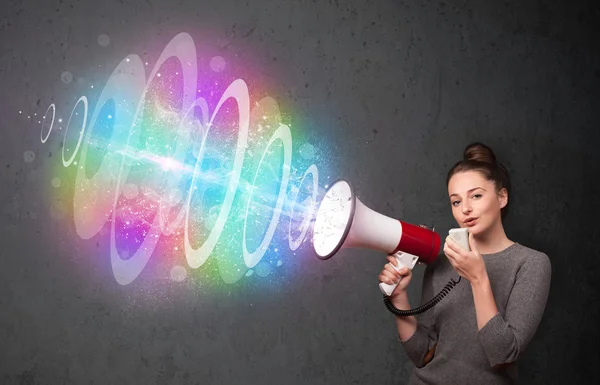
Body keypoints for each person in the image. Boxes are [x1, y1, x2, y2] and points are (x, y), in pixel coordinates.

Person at [378, 142, 552, 384]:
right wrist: (399, 300)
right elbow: (422, 355)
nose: (466, 209)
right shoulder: (441, 263)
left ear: (502, 198)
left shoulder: (531, 264)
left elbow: (503, 354)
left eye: (476, 196)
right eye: (456, 201)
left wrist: (479, 279)